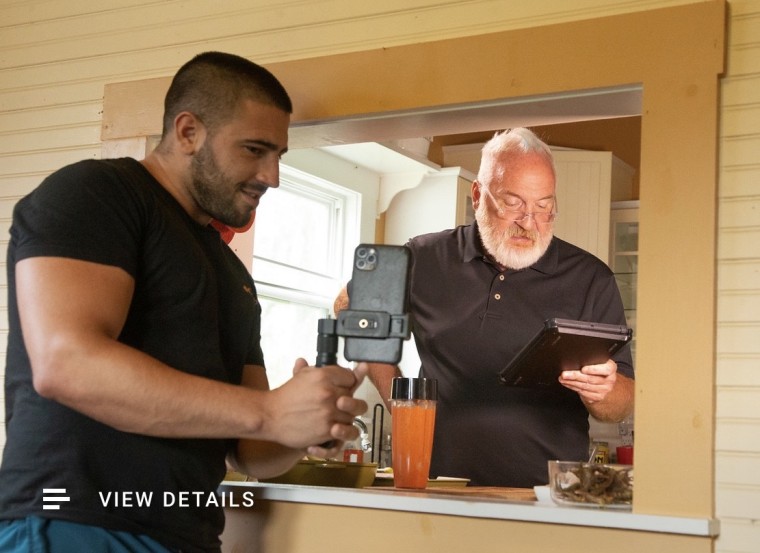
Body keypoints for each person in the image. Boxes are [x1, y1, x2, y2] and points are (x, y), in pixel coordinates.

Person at [0, 51, 367, 553]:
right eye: (255, 150)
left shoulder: (232, 272)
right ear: (188, 132)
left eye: (279, 155)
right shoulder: (96, 193)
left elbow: (248, 451)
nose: (272, 175)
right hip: (76, 522)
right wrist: (268, 409)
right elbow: (67, 363)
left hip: (187, 536)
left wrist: (303, 425)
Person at [335, 127, 634, 488]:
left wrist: (604, 391)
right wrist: (402, 405)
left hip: (547, 498)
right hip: (437, 487)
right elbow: (348, 306)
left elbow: (623, 401)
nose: (529, 221)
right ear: (478, 195)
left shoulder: (590, 278)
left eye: (544, 206)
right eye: (513, 203)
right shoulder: (422, 256)